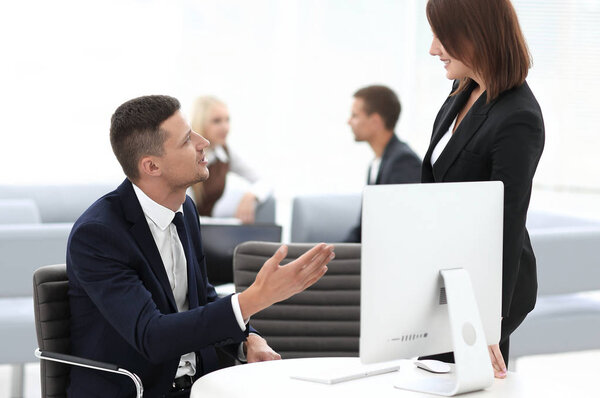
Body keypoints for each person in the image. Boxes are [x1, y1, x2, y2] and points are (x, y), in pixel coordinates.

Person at [66, 95, 334, 397]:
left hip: (201, 386)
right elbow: (152, 336)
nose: (203, 141)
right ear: (151, 165)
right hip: (140, 390)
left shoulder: (186, 209)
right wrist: (255, 298)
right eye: (186, 141)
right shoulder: (98, 235)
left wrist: (248, 337)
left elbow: (201, 296)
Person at [422, 0, 545, 378]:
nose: (432, 49)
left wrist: (490, 319)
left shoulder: (518, 117)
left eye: (442, 36)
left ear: (475, 34)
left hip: (483, 289)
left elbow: (505, 222)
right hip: (444, 275)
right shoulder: (462, 90)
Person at [345, 85, 422, 242]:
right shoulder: (376, 163)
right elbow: (364, 228)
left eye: (355, 115)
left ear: (375, 121)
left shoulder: (403, 161)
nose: (349, 121)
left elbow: (401, 227)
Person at [189, 96, 271, 224]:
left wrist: (250, 196)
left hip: (207, 230)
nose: (225, 127)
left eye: (227, 120)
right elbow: (185, 214)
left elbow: (265, 181)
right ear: (200, 123)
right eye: (217, 121)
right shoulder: (186, 156)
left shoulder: (225, 152)